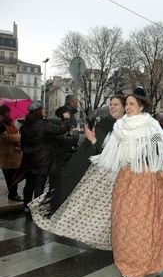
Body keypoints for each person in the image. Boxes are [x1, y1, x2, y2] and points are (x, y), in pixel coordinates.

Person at [91, 87, 163, 277]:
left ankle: (137, 266)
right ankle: (127, 267)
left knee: (141, 226)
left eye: (131, 104)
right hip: (125, 179)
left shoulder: (151, 128)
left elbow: (160, 152)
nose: (127, 107)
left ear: (141, 106)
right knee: (123, 225)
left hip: (144, 180)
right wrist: (94, 141)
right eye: (126, 103)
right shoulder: (120, 128)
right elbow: (109, 152)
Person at [29, 94, 126, 249]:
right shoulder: (105, 124)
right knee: (92, 209)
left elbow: (123, 154)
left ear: (124, 107)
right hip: (103, 174)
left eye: (116, 104)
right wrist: (93, 140)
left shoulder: (130, 126)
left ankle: (118, 240)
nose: (112, 107)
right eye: (111, 104)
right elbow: (100, 152)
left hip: (121, 175)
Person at [20, 101, 70, 212]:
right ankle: (37, 209)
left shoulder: (25, 125)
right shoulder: (42, 124)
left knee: (29, 184)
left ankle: (26, 206)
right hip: (42, 159)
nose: (44, 110)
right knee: (39, 185)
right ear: (38, 112)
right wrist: (66, 120)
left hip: (29, 158)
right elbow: (60, 130)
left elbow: (22, 143)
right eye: (42, 109)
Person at [0, 105, 23, 201]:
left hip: (14, 154)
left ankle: (13, 193)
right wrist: (18, 136)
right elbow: (5, 138)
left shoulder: (10, 124)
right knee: (10, 177)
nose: (9, 113)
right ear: (2, 114)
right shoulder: (1, 126)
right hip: (7, 155)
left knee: (15, 176)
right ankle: (13, 194)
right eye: (7, 112)